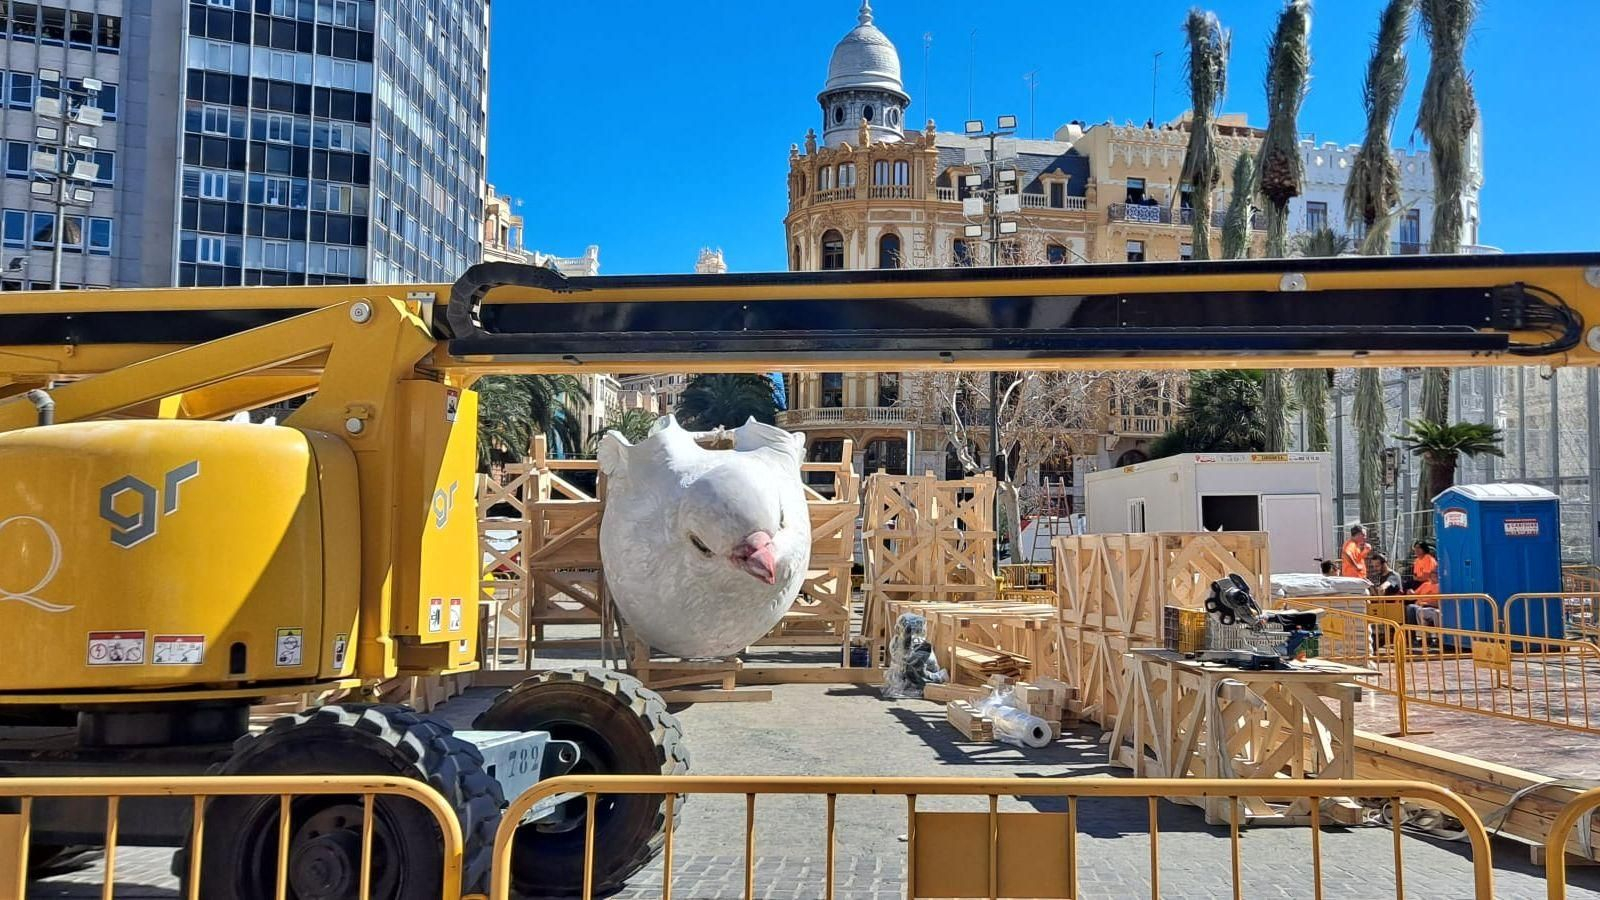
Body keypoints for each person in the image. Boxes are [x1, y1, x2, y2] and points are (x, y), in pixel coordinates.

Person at [1407, 541, 1442, 631]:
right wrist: (1410, 593)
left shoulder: (1440, 586)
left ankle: (1421, 634)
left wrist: (1425, 603)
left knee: (1417, 610)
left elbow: (1423, 576)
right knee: (1410, 606)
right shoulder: (1425, 584)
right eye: (1415, 548)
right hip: (1420, 603)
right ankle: (1412, 633)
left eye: (1419, 548)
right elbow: (1415, 576)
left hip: (1429, 606)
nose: (1416, 550)